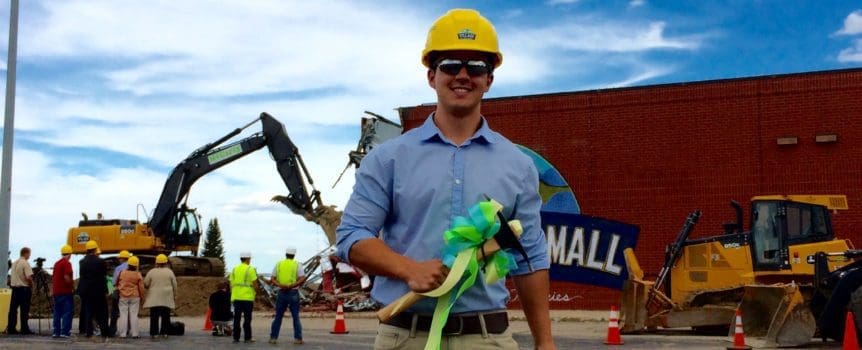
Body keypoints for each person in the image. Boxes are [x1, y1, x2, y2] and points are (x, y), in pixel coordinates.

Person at [335, 8, 556, 350]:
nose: (463, 75)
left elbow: (532, 259)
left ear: (489, 79)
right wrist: (408, 268)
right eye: (451, 65)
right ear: (431, 75)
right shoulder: (388, 159)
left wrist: (545, 342)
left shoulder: (518, 165)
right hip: (403, 337)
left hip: (486, 339)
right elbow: (352, 236)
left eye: (477, 67)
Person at [268, 246, 306, 344]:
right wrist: (292, 285)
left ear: (286, 254)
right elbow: (302, 278)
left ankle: (273, 337)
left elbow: (272, 278)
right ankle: (298, 338)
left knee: (278, 316)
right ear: (294, 255)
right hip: (293, 292)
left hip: (281, 292)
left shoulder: (279, 264)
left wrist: (280, 285)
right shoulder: (297, 264)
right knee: (295, 317)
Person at [78, 240, 111, 340]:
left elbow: (82, 275)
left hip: (87, 291)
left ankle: (89, 332)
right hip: (98, 291)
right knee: (102, 312)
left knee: (88, 312)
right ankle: (104, 332)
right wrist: (106, 290)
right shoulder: (101, 262)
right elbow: (103, 276)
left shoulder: (82, 262)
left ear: (87, 250)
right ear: (95, 249)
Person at [143, 254, 177, 339]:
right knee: (166, 316)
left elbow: (146, 284)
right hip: (166, 297)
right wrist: (174, 295)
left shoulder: (152, 271)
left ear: (156, 262)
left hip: (154, 297)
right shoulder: (170, 272)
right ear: (166, 262)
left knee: (154, 316)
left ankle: (154, 333)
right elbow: (174, 285)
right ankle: (165, 332)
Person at [229, 251, 257, 343]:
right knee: (247, 319)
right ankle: (247, 337)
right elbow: (255, 284)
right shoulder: (250, 269)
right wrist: (256, 292)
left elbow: (231, 283)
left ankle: (236, 337)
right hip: (247, 297)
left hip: (236, 297)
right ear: (248, 259)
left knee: (236, 318)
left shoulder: (234, 269)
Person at [116, 256, 145, 338]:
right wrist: (142, 297)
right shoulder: (138, 274)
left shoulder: (122, 273)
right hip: (135, 296)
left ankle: (122, 334)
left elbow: (117, 283)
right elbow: (141, 287)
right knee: (134, 315)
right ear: (136, 265)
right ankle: (135, 334)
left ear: (128, 265)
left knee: (123, 315)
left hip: (123, 296)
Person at [7, 247, 34, 335]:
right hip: (24, 289)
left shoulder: (14, 263)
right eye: (29, 253)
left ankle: (11, 328)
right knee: (24, 310)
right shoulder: (25, 263)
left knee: (13, 310)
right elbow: (28, 277)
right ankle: (24, 329)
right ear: (26, 253)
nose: (29, 255)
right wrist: (31, 285)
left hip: (14, 289)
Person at [52, 245, 75, 338]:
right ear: (70, 254)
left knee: (57, 312)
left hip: (56, 292)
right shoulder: (67, 263)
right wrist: (72, 286)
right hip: (65, 292)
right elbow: (66, 277)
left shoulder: (56, 263)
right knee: (67, 312)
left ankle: (56, 332)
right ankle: (64, 332)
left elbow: (53, 278)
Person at [109, 250, 131, 336]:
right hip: (130, 292)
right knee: (128, 312)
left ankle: (112, 330)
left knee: (114, 311)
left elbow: (114, 282)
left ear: (122, 259)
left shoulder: (118, 268)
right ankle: (127, 329)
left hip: (119, 291)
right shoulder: (133, 267)